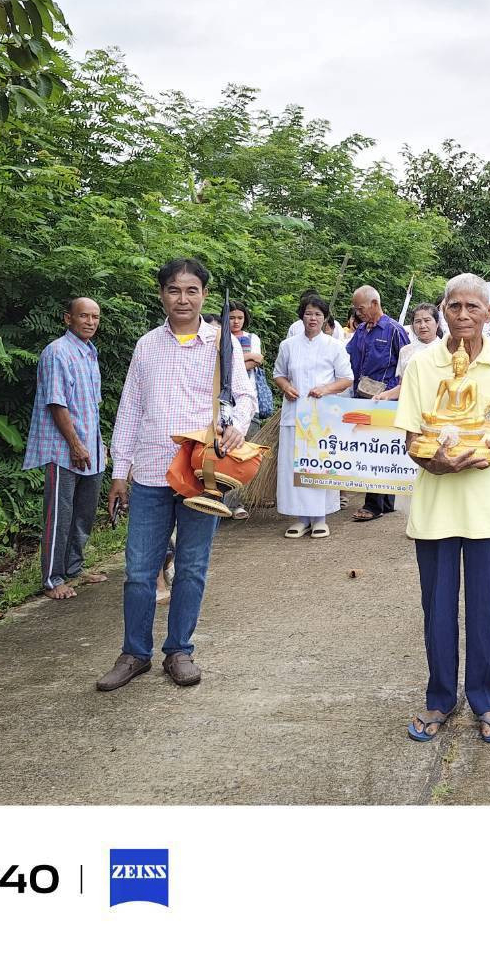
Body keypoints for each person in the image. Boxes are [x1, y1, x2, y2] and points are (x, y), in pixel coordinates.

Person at [97, 259, 256, 691]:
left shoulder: (221, 343)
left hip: (202, 474)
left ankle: (179, 650)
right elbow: (130, 408)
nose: (182, 299)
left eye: (191, 290)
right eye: (173, 290)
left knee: (191, 567)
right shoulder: (147, 345)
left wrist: (236, 426)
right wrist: (120, 471)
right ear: (162, 295)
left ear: (204, 295)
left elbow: (245, 397)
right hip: (150, 471)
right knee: (139, 570)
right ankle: (134, 653)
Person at [395, 274, 490, 745]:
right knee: (437, 610)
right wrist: (432, 460)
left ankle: (486, 698)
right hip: (436, 504)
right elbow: (412, 435)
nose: (462, 315)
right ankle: (440, 697)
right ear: (443, 311)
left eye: (472, 306)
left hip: (489, 504)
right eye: (454, 306)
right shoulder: (422, 365)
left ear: (488, 313)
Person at [23, 296, 108, 601]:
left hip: (90, 448)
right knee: (59, 516)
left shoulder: (89, 352)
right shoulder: (57, 352)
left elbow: (91, 407)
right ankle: (52, 579)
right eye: (83, 316)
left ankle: (73, 569)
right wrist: (75, 444)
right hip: (64, 450)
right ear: (68, 318)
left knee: (83, 514)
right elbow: (56, 403)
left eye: (95, 317)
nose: (90, 322)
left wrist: (97, 444)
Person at [272, 294, 354, 539]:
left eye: (318, 314)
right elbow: (278, 374)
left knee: (319, 465)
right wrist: (286, 387)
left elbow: (346, 378)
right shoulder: (288, 345)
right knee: (294, 465)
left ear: (325, 318)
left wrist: (325, 389)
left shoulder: (334, 346)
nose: (313, 318)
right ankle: (301, 518)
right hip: (294, 413)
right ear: (302, 316)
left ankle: (320, 518)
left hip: (322, 416)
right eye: (309, 313)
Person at [345, 285, 410, 522]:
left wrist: (395, 392)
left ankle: (373, 505)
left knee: (378, 450)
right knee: (370, 449)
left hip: (385, 402)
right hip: (362, 399)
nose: (358, 312)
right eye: (356, 308)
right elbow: (347, 358)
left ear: (374, 304)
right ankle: (386, 502)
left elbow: (407, 364)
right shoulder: (361, 330)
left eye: (360, 308)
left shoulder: (394, 330)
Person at [224, 301, 267, 520]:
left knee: (242, 456)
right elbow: (227, 364)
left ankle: (236, 503)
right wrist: (246, 358)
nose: (236, 321)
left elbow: (256, 361)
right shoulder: (218, 337)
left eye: (239, 318)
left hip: (248, 404)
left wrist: (232, 360)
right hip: (224, 406)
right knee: (224, 455)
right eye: (232, 317)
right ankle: (222, 503)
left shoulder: (252, 338)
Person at [376, 302, 442, 402]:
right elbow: (403, 386)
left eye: (427, 320)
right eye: (418, 321)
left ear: (437, 323)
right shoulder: (406, 351)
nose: (422, 325)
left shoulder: (446, 349)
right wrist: (385, 395)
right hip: (412, 405)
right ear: (412, 326)